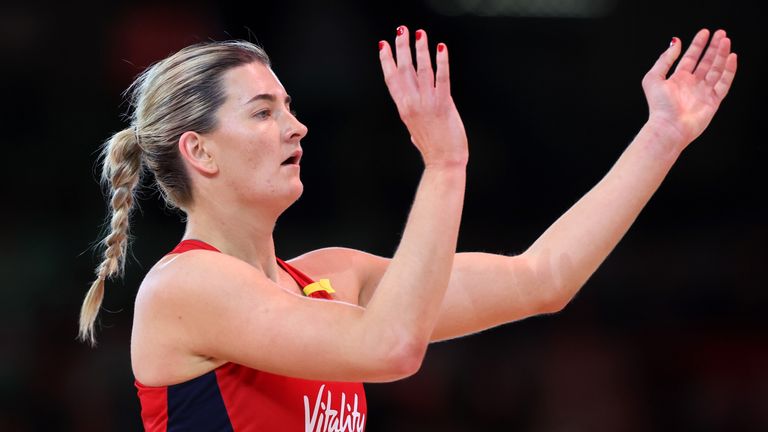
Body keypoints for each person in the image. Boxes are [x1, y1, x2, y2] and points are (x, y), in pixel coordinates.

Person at [79, 25, 736, 431]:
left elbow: (544, 279)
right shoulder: (185, 287)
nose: (296, 126)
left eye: (289, 107)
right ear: (200, 151)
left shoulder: (333, 276)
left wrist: (662, 137)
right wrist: (445, 165)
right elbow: (390, 348)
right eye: (262, 112)